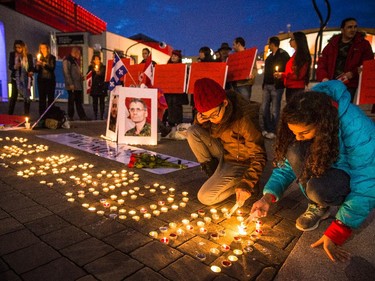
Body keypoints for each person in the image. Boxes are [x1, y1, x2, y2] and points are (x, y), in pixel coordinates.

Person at [250, 80, 375, 262]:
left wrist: (338, 231)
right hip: (326, 162)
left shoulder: (357, 128)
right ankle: (318, 206)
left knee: (318, 190)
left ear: (323, 123)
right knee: (293, 149)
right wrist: (268, 196)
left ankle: (322, 199)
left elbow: (367, 181)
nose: (298, 137)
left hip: (350, 174)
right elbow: (287, 165)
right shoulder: (306, 111)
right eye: (294, 132)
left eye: (304, 133)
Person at [187, 78, 266, 206]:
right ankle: (215, 175)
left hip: (241, 162)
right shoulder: (211, 116)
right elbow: (207, 133)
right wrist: (199, 121)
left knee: (205, 197)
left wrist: (247, 183)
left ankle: (246, 184)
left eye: (213, 115)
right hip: (225, 153)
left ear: (224, 102)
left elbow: (259, 155)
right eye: (206, 116)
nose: (211, 120)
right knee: (192, 131)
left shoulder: (244, 118)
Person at [316, 17, 374, 102]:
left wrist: (353, 73)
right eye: (349, 27)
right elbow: (322, 63)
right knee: (329, 109)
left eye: (355, 27)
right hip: (331, 83)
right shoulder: (332, 45)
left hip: (349, 84)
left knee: (344, 108)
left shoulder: (363, 45)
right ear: (342, 30)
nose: (353, 30)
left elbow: (367, 64)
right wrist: (324, 78)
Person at [261, 36, 290, 139]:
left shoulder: (283, 55)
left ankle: (273, 131)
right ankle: (267, 128)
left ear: (272, 44)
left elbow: (287, 70)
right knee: (264, 108)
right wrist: (264, 84)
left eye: (269, 43)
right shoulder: (269, 57)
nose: (268, 45)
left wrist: (280, 76)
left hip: (276, 86)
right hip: (267, 86)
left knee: (275, 109)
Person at [275, 31, 311, 103]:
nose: (289, 41)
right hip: (291, 88)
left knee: (293, 111)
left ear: (298, 41)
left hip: (296, 89)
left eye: (292, 39)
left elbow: (298, 75)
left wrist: (283, 75)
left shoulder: (302, 57)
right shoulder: (295, 55)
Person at [163, 50, 188, 127]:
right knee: (169, 107)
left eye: (175, 56)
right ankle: (169, 123)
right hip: (169, 93)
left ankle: (177, 124)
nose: (173, 57)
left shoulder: (183, 68)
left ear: (179, 58)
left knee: (177, 108)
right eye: (172, 55)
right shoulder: (166, 67)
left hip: (178, 94)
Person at [8, 40, 34, 116]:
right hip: (16, 78)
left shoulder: (28, 56)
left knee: (27, 97)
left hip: (26, 79)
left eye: (19, 47)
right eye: (16, 47)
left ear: (23, 47)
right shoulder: (12, 54)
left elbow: (31, 67)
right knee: (13, 97)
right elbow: (10, 66)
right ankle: (10, 115)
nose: (17, 49)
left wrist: (31, 71)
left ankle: (26, 115)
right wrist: (15, 66)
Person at [62, 47, 89, 121]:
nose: (79, 55)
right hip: (72, 85)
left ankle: (82, 116)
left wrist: (81, 77)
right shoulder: (67, 60)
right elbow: (66, 73)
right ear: (75, 52)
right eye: (79, 53)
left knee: (78, 102)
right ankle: (70, 116)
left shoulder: (74, 61)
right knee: (71, 101)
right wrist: (70, 83)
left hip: (77, 85)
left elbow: (75, 72)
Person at [231, 37, 256, 101]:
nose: (232, 47)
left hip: (245, 84)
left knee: (245, 103)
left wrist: (252, 75)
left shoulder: (250, 54)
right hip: (235, 84)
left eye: (234, 44)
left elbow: (254, 68)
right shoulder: (233, 56)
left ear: (238, 44)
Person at [35, 43, 56, 118]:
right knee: (42, 98)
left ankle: (51, 115)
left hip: (49, 79)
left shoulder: (52, 57)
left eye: (44, 48)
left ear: (47, 48)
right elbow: (36, 71)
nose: (42, 50)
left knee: (50, 98)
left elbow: (52, 68)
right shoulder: (39, 57)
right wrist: (37, 66)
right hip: (41, 80)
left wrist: (44, 64)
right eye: (41, 48)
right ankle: (42, 116)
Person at [87, 54, 107, 120]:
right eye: (95, 59)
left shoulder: (103, 67)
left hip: (101, 86)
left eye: (98, 59)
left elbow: (104, 74)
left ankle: (101, 115)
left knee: (102, 102)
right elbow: (88, 75)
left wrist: (99, 73)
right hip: (94, 87)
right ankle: (95, 114)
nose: (96, 61)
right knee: (95, 102)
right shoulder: (90, 67)